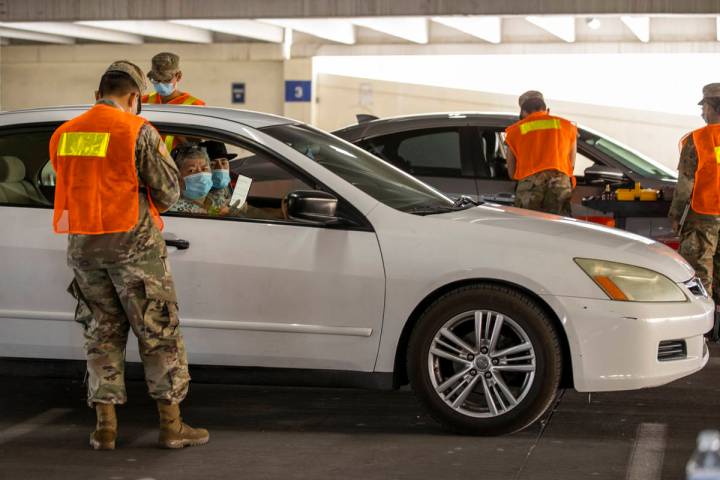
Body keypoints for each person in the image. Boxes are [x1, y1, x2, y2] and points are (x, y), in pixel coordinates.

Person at [50, 60, 209, 450]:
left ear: (97, 95)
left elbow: (65, 181)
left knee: (100, 333)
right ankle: (172, 427)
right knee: (158, 332)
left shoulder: (65, 134)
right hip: (134, 248)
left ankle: (105, 428)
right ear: (135, 97)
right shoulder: (137, 131)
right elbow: (170, 194)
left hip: (84, 249)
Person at [671, 83, 720, 335]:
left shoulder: (699, 139)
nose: (702, 113)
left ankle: (703, 330)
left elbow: (685, 184)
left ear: (712, 108)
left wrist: (676, 216)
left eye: (705, 108)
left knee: (700, 270)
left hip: (705, 214)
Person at [504, 90, 577, 216]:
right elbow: (571, 164)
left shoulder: (515, 131)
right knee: (558, 231)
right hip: (559, 186)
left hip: (529, 188)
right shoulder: (567, 126)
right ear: (546, 109)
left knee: (528, 230)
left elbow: (511, 172)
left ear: (523, 112)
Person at [142, 52, 205, 151]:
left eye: (166, 80)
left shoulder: (194, 105)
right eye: (156, 80)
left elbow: (195, 147)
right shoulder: (143, 101)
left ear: (178, 76)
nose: (161, 84)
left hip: (177, 164)